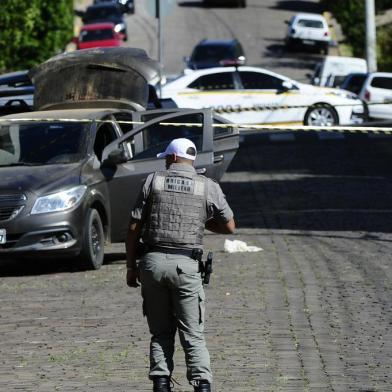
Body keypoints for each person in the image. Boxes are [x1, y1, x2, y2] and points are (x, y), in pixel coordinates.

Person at [126, 138, 235, 392]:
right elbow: (229, 226)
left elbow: (133, 229)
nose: (165, 161)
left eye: (166, 157)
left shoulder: (153, 181)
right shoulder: (207, 186)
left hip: (152, 265)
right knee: (193, 334)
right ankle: (201, 385)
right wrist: (203, 222)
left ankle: (162, 383)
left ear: (173, 158)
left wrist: (131, 267)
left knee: (161, 332)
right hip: (186, 266)